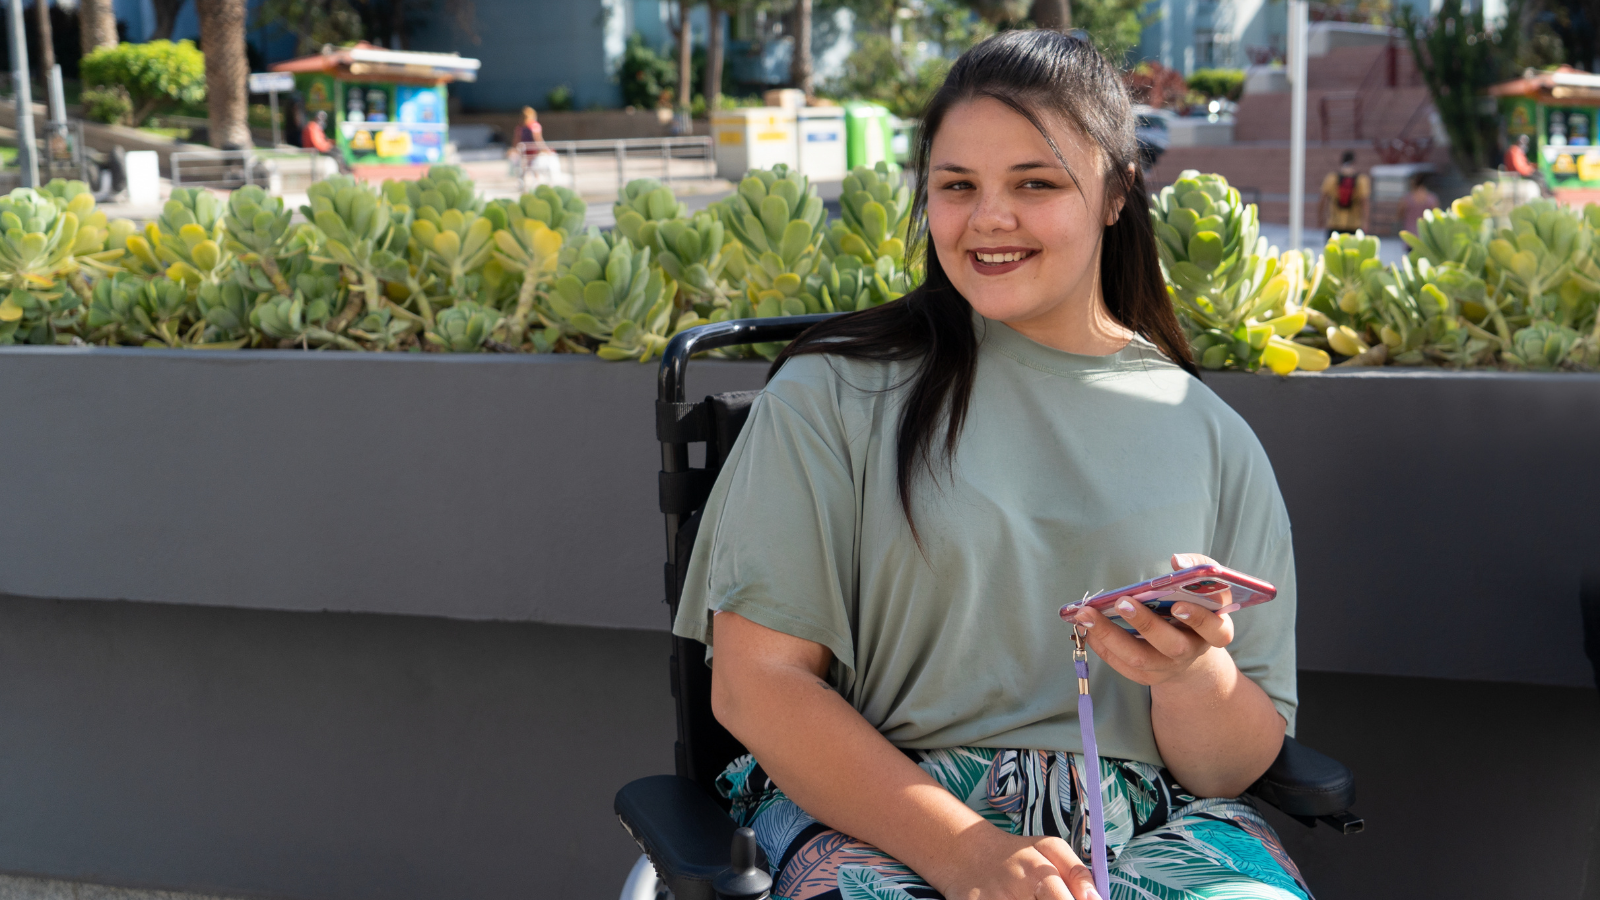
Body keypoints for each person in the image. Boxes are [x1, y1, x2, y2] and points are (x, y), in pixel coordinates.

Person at [676, 29, 1308, 900]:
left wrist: (1190, 673)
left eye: (1036, 184)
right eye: (957, 186)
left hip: (1155, 825)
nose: (990, 218)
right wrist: (968, 851)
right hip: (884, 814)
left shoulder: (1213, 436)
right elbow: (758, 687)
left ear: (1117, 193)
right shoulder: (831, 394)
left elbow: (1232, 765)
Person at [1318, 150, 1369, 239]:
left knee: (1332, 251)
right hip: (1354, 224)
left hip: (1334, 224)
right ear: (1354, 162)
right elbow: (1364, 203)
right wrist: (1365, 222)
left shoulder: (1332, 178)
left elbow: (1322, 200)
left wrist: (1320, 217)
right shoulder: (1361, 179)